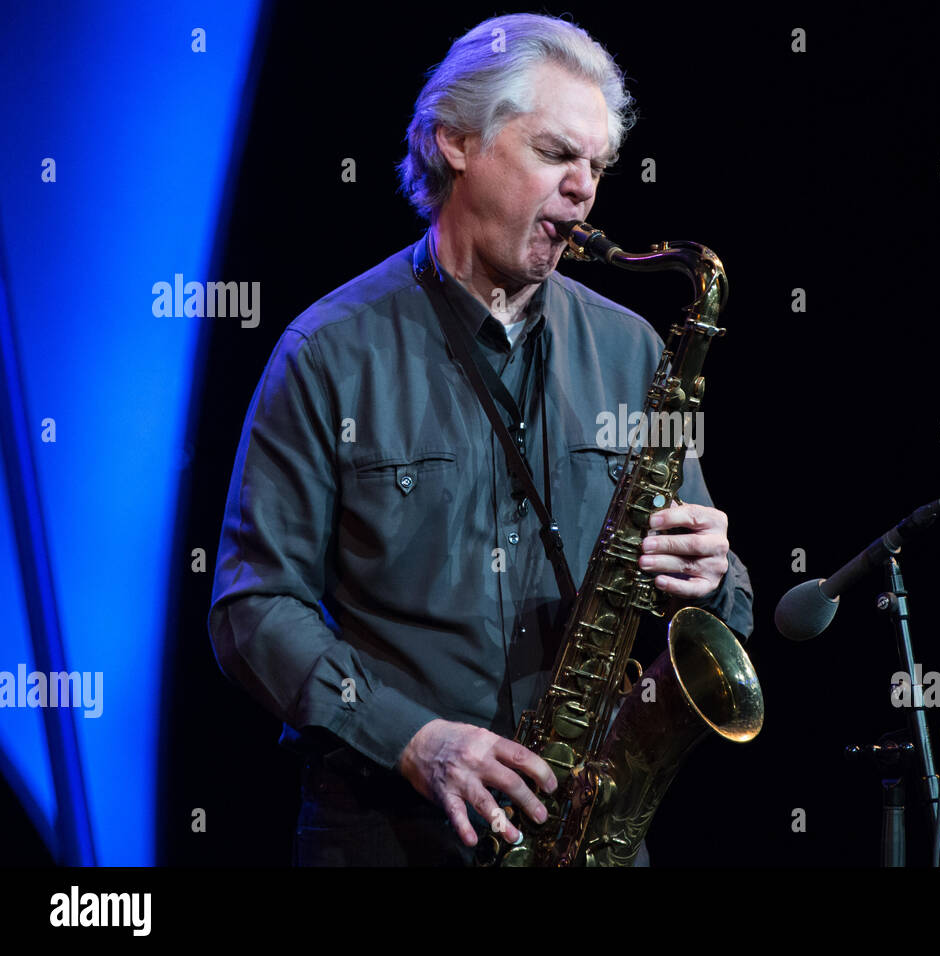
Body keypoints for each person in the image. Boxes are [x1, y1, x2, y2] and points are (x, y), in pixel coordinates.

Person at [207, 12, 753, 866]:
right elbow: (251, 608)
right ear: (454, 141)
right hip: (392, 832)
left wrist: (713, 577)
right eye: (555, 153)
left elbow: (732, 600)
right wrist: (412, 739)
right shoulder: (327, 353)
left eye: (597, 166)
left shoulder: (636, 350)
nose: (584, 188)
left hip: (585, 832)